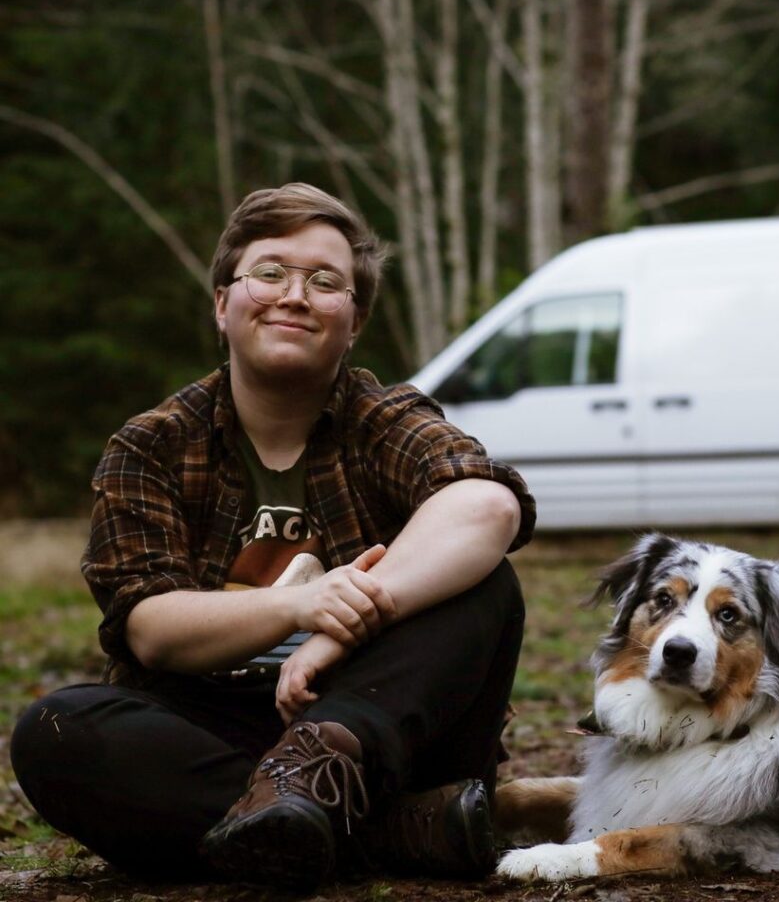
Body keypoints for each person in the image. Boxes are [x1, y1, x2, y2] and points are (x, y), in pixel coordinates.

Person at [10, 183, 535, 891]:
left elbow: (487, 506)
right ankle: (394, 832)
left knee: (483, 583)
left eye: (325, 282)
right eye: (269, 273)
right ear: (223, 304)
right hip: (211, 732)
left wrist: (342, 626)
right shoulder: (151, 446)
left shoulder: (383, 418)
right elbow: (151, 628)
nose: (294, 295)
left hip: (380, 725)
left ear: (353, 322)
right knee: (56, 731)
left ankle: (321, 794)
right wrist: (299, 607)